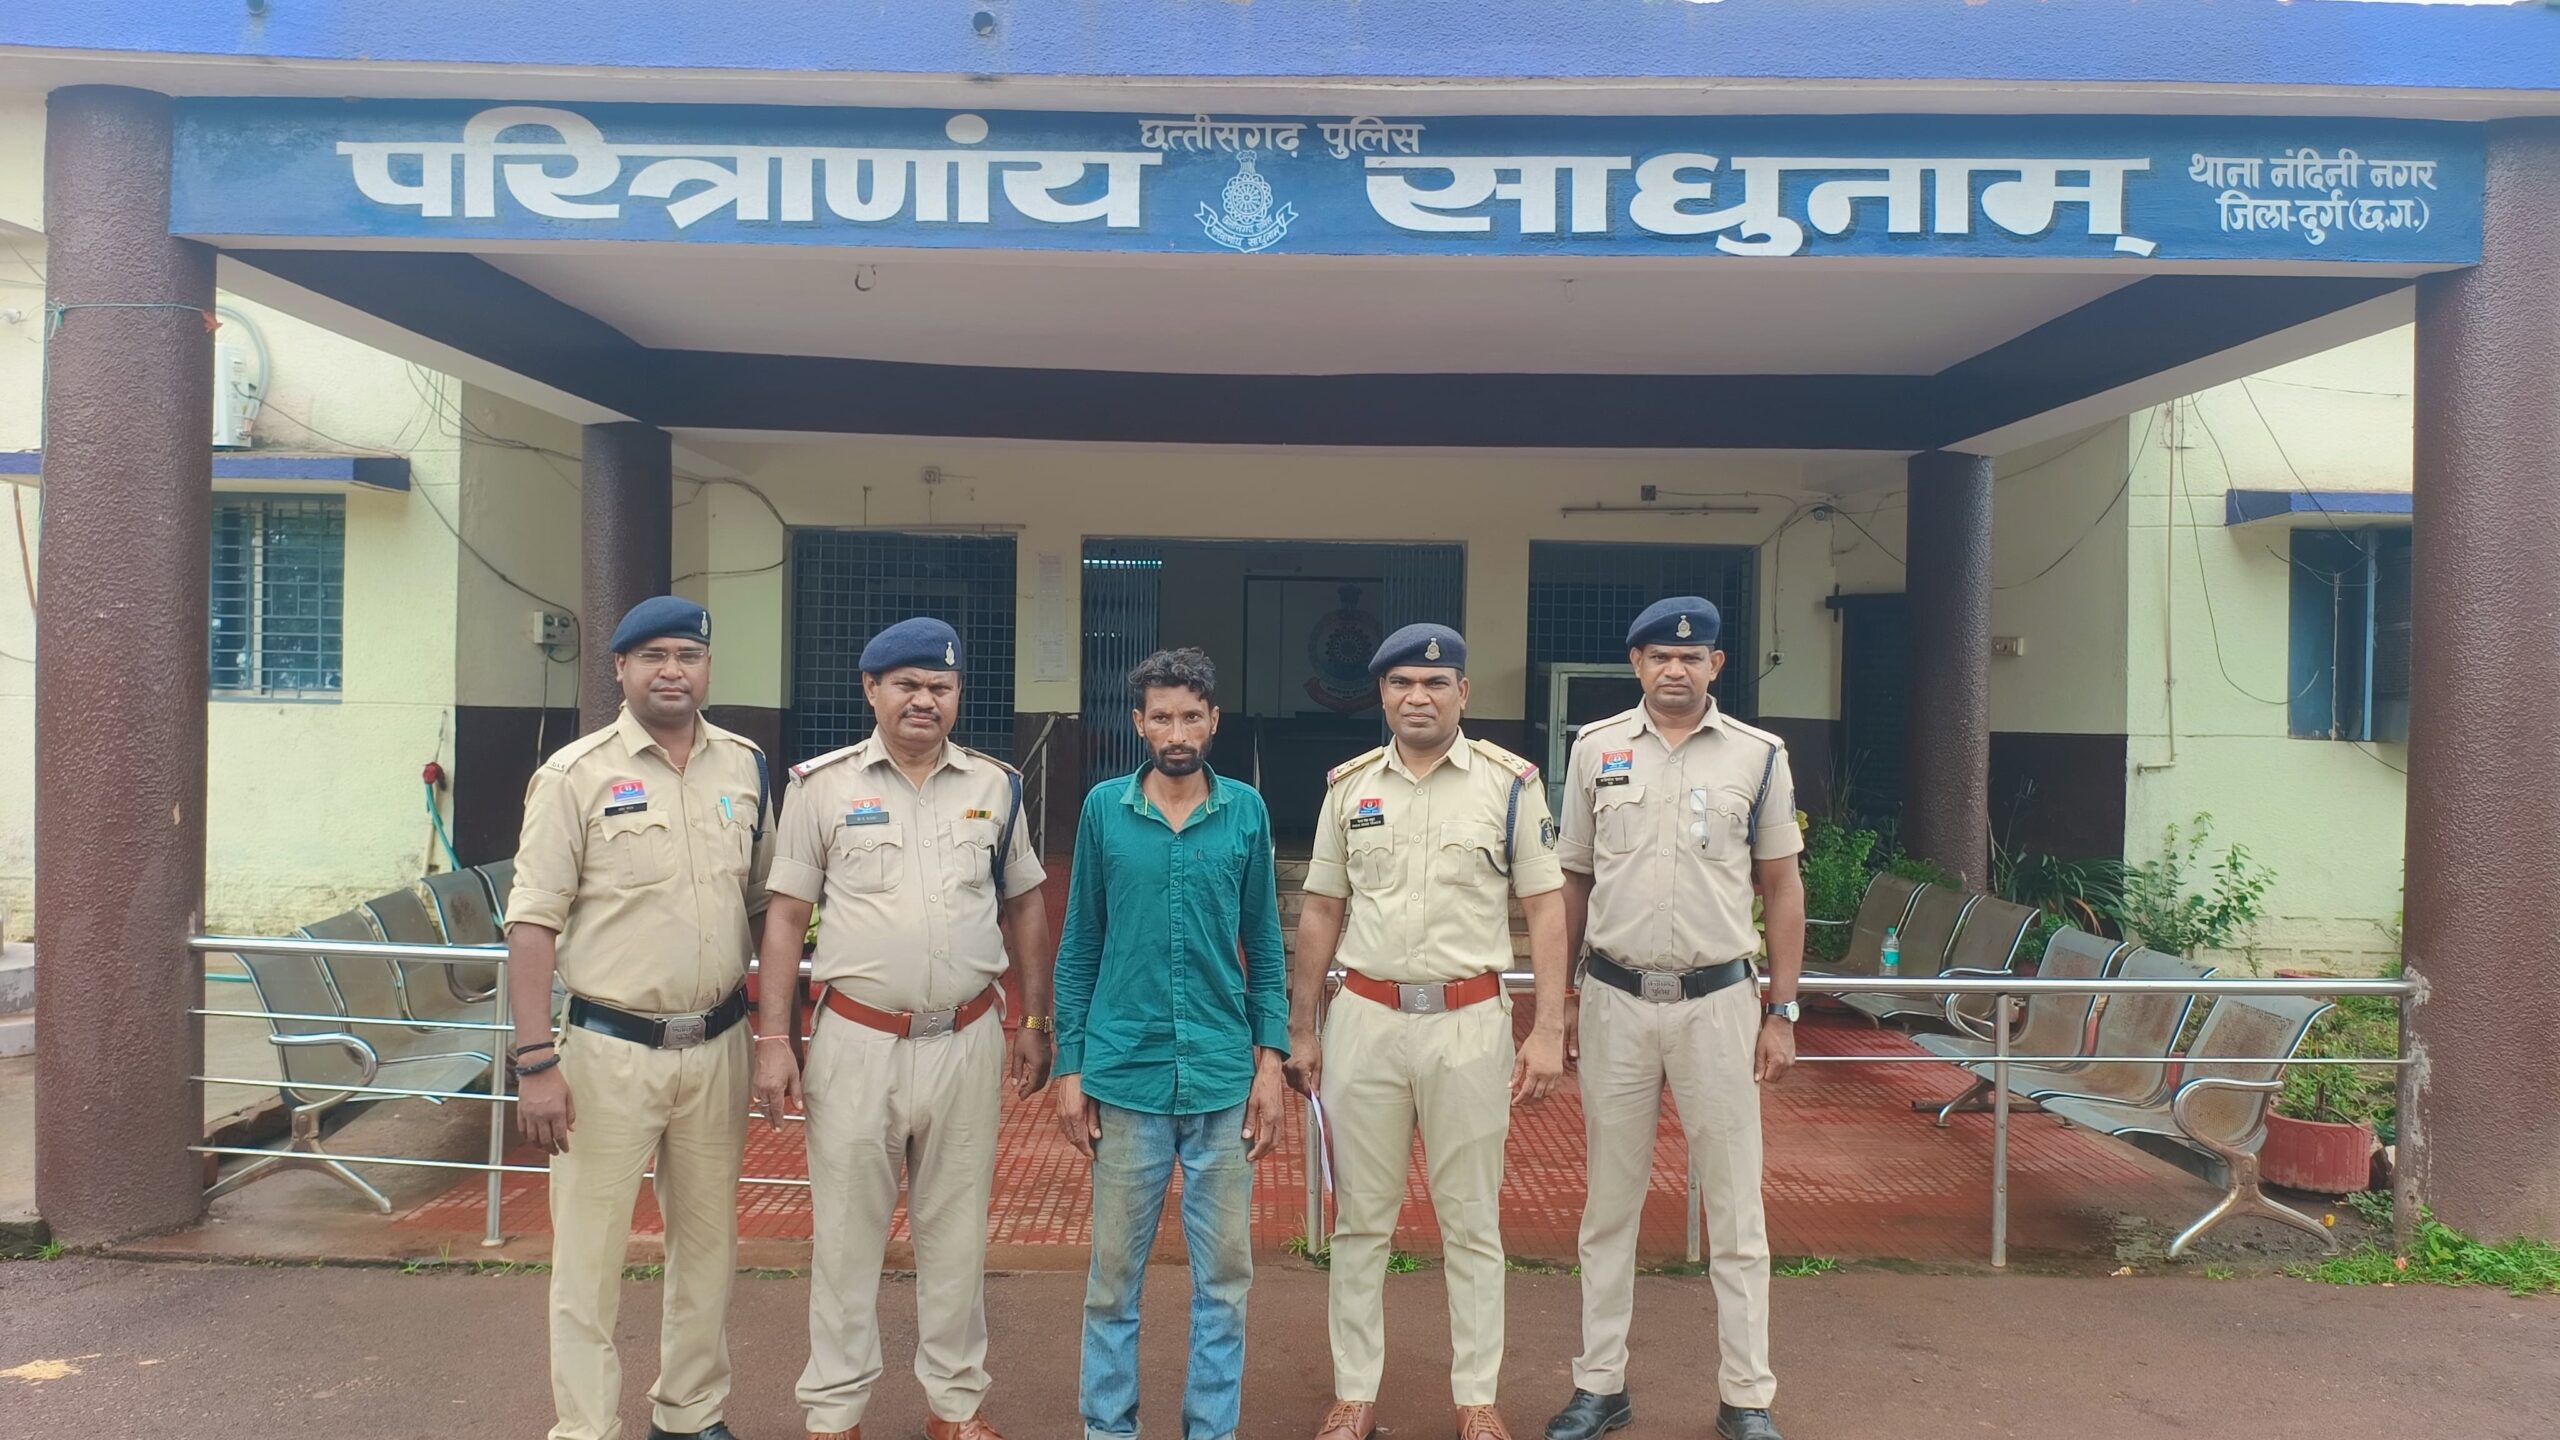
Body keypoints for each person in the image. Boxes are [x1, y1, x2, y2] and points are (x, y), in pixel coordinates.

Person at [749, 616, 1053, 1440]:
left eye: (940, 686)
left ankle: (955, 1408)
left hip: (967, 1037)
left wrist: (1035, 1017)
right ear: (871, 689)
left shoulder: (996, 786)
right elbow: (786, 917)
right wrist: (774, 1040)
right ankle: (835, 1413)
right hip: (857, 1042)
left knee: (955, 1234)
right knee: (846, 1237)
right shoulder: (821, 787)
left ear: (959, 695)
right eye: (908, 684)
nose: (925, 699)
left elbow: (1025, 905)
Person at [1286, 623, 1570, 1440]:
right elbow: (1322, 909)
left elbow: (1546, 908)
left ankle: (1477, 1399)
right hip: (1366, 1020)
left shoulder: (1509, 784)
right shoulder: (1350, 789)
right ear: (1381, 694)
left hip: (1468, 1023)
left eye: (1436, 683)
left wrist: (1549, 1026)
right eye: (1403, 683)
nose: (1419, 697)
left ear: (1463, 693)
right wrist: (1302, 1026)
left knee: (1472, 1221)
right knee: (1359, 1221)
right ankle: (1354, 1393)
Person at [506, 594, 774, 1440]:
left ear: (707, 667)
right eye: (653, 656)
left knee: (708, 1246)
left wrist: (779, 1033)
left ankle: (690, 1413)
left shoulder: (746, 767)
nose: (672, 671)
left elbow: (767, 902)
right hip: (608, 1052)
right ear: (620, 668)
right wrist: (535, 1061)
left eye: (688, 655)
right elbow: (532, 923)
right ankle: (586, 1426)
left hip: (718, 1042)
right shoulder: (574, 775)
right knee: (589, 1257)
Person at [1539, 597, 1804, 1440]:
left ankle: (1747, 1397)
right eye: (1659, 656)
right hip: (1615, 999)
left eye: (1692, 657)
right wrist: (1559, 1001)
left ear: (1716, 665)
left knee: (1736, 1209)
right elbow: (1571, 879)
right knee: (1608, 1206)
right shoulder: (1595, 749)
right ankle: (1600, 1386)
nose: (1675, 669)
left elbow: (1782, 886)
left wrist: (1782, 1010)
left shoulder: (1758, 755)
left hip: (1719, 1003)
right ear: (1637, 664)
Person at [1051, 647, 1290, 1440]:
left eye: (1192, 716)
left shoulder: (1246, 812)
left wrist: (1271, 1062)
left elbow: (1265, 944)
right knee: (1113, 1281)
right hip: (1127, 1077)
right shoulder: (1104, 810)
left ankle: (1210, 1430)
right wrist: (1071, 1065)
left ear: (1214, 720)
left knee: (1224, 1281)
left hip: (1223, 1080)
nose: (1178, 732)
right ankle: (1108, 1429)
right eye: (1162, 716)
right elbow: (1080, 943)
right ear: (1139, 723)